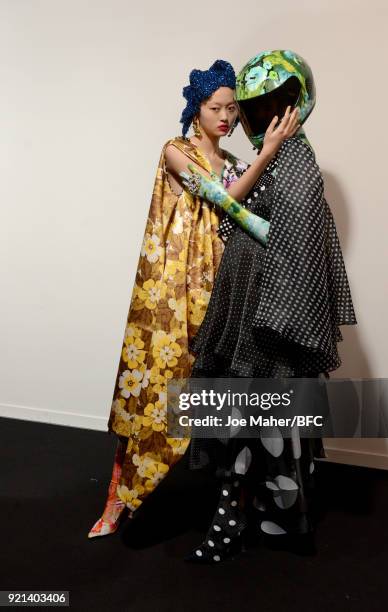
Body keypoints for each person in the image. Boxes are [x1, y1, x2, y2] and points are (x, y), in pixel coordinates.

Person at [88, 59, 300, 538]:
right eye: (215, 107)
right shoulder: (176, 151)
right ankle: (118, 500)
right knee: (153, 385)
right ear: (197, 108)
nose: (225, 117)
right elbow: (222, 202)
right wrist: (267, 153)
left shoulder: (237, 165)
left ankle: (232, 505)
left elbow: (248, 219)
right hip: (171, 288)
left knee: (218, 386)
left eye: (231, 109)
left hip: (218, 284)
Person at [179, 49, 358, 563]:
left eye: (274, 106)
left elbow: (293, 241)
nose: (260, 119)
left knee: (258, 420)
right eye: (253, 109)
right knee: (251, 419)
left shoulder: (297, 162)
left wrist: (277, 320)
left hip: (270, 317)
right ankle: (260, 515)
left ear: (299, 104)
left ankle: (237, 520)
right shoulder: (274, 157)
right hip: (253, 311)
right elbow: (236, 211)